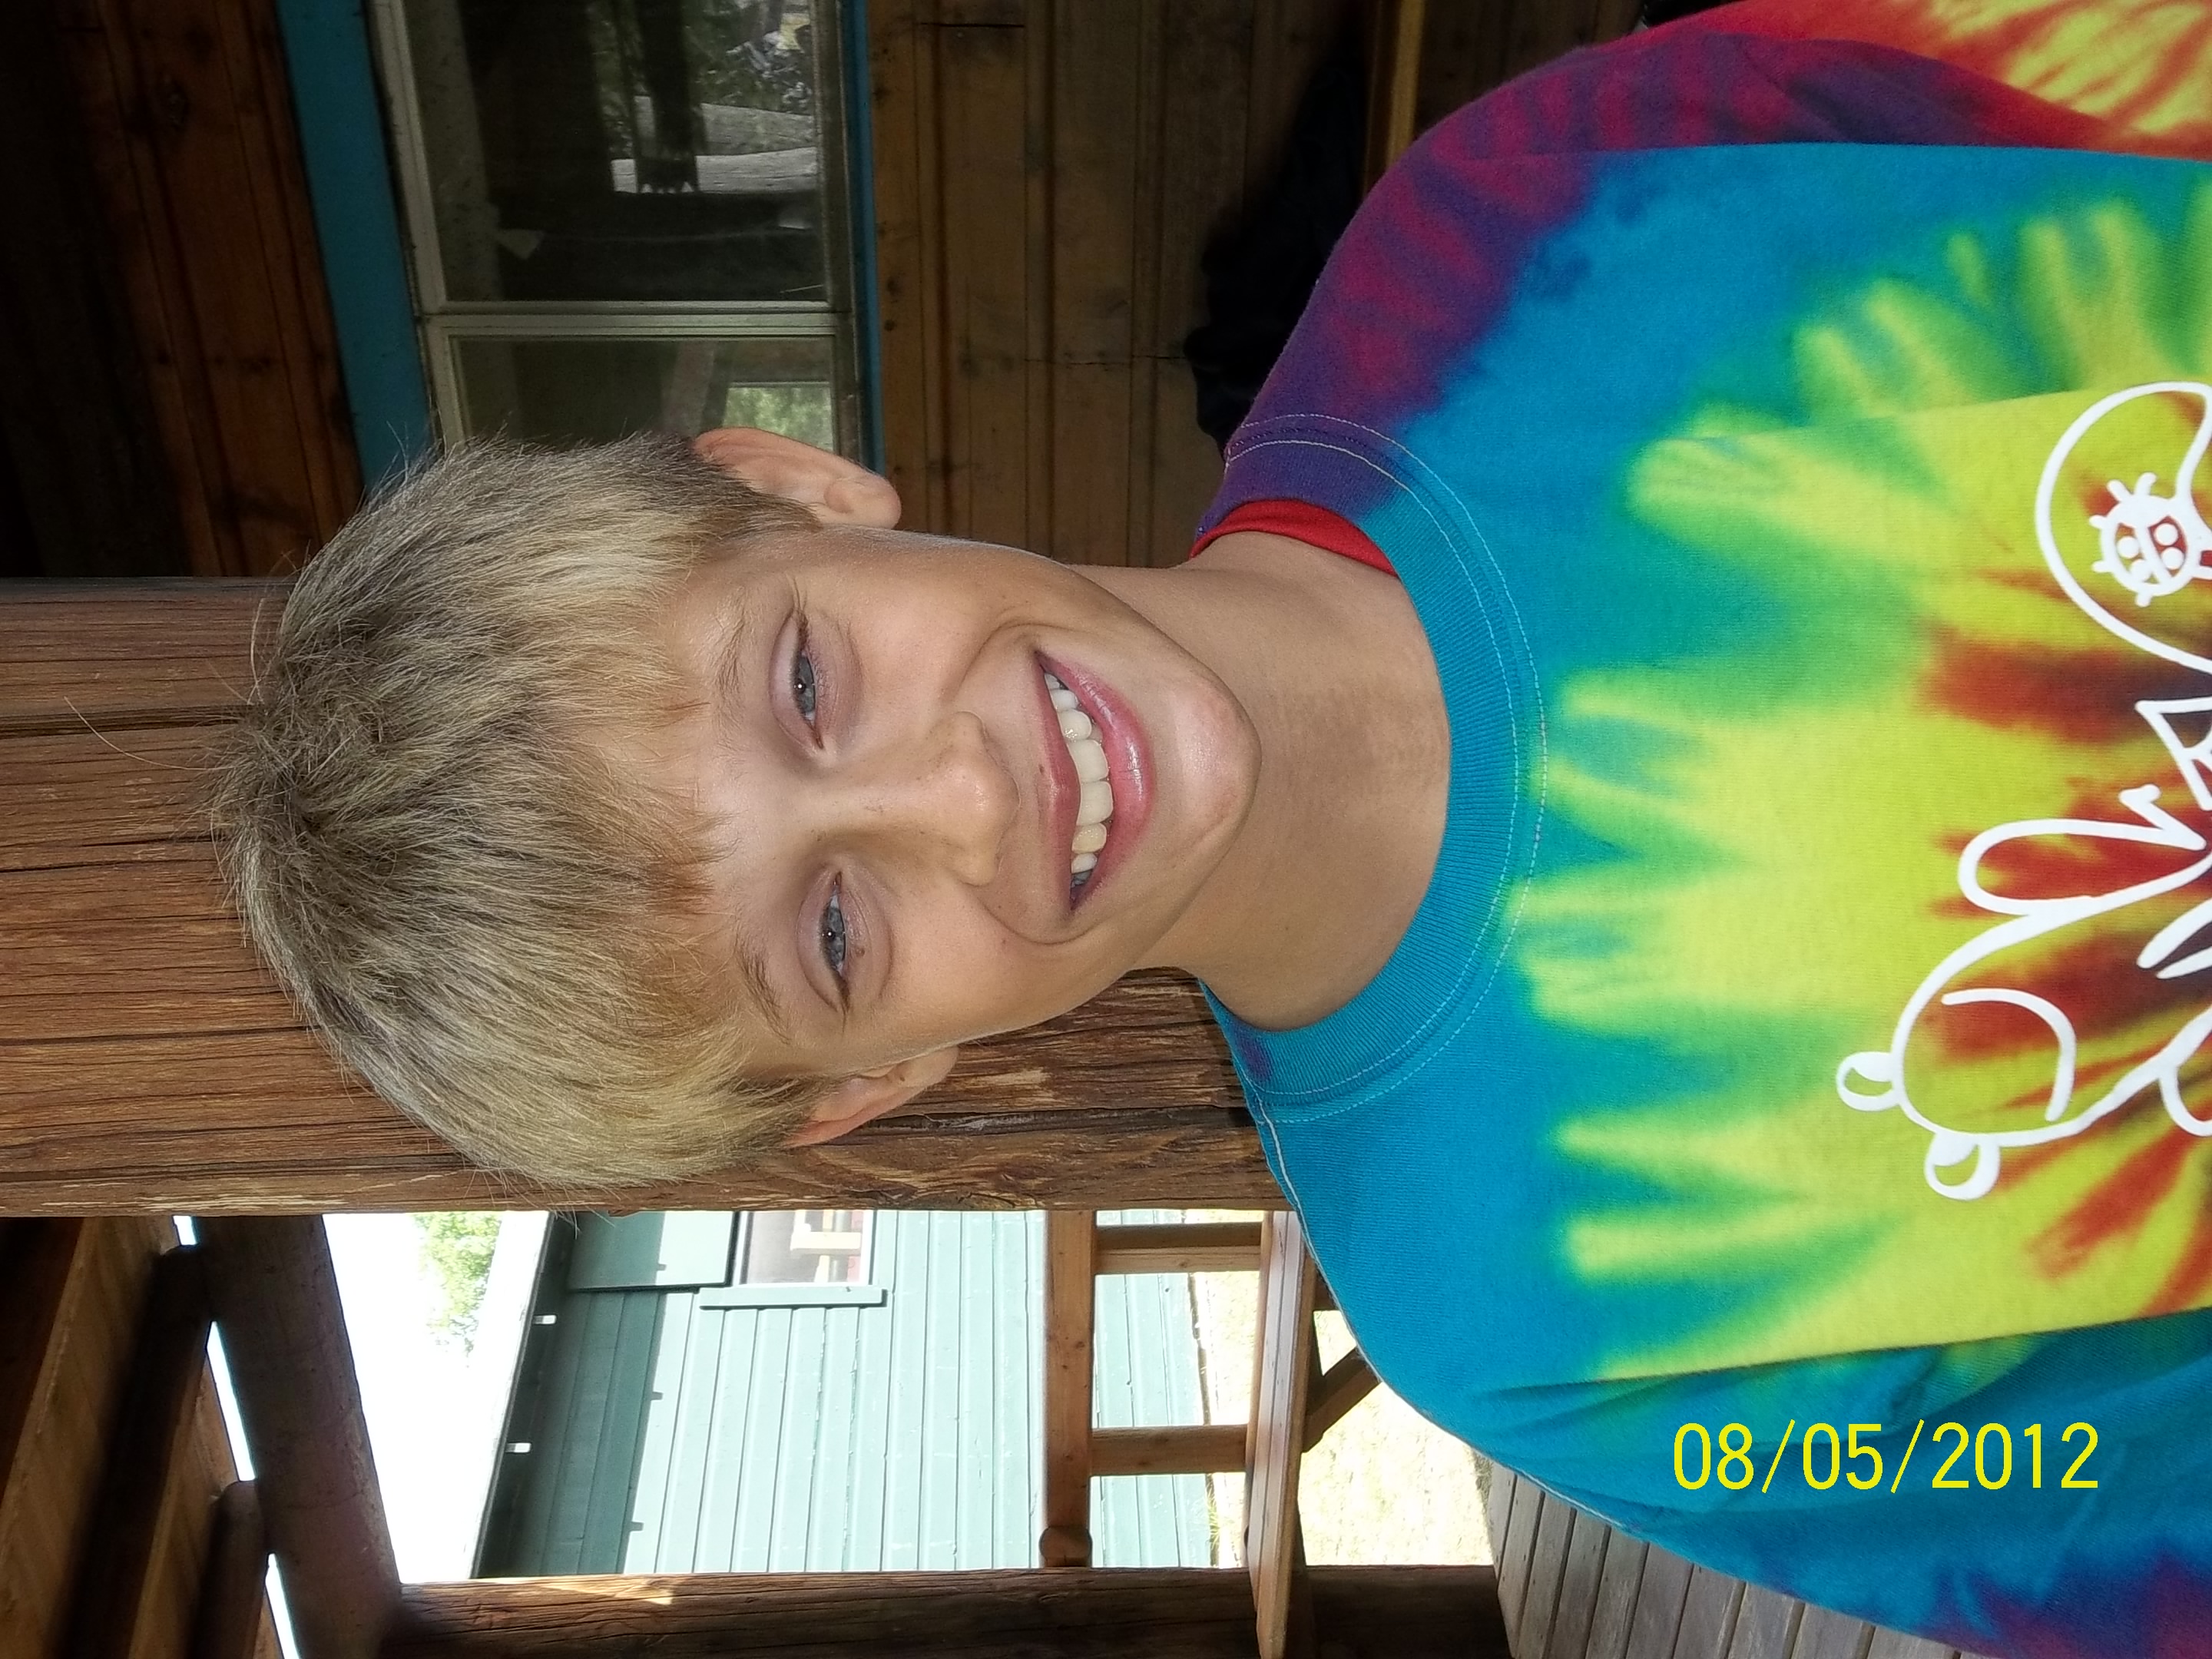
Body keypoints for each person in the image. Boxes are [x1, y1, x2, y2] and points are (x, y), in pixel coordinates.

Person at [213, 2, 2212, 1651]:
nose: (959, 794)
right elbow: (2112, 1506)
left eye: (807, 683)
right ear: (868, 1084)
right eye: (833, 934)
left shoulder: (1535, 225)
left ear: (795, 489)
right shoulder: (1513, 1322)